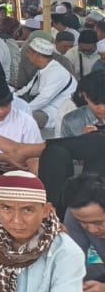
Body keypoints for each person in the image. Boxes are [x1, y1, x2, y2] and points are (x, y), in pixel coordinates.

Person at [40, 74, 105, 212]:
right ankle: (54, 212)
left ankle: (31, 149)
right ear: (85, 96)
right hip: (84, 174)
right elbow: (66, 160)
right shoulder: (72, 120)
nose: (102, 108)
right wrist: (83, 145)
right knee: (54, 152)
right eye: (96, 103)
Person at [62, 174, 105, 292]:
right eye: (83, 223)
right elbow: (74, 258)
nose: (91, 230)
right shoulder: (75, 214)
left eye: (98, 222)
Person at [17, 34, 75, 130]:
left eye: (28, 52)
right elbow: (27, 89)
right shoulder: (44, 69)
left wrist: (21, 109)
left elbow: (43, 99)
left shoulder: (57, 72)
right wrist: (12, 98)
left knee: (18, 117)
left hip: (55, 112)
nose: (27, 55)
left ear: (36, 55)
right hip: (43, 108)